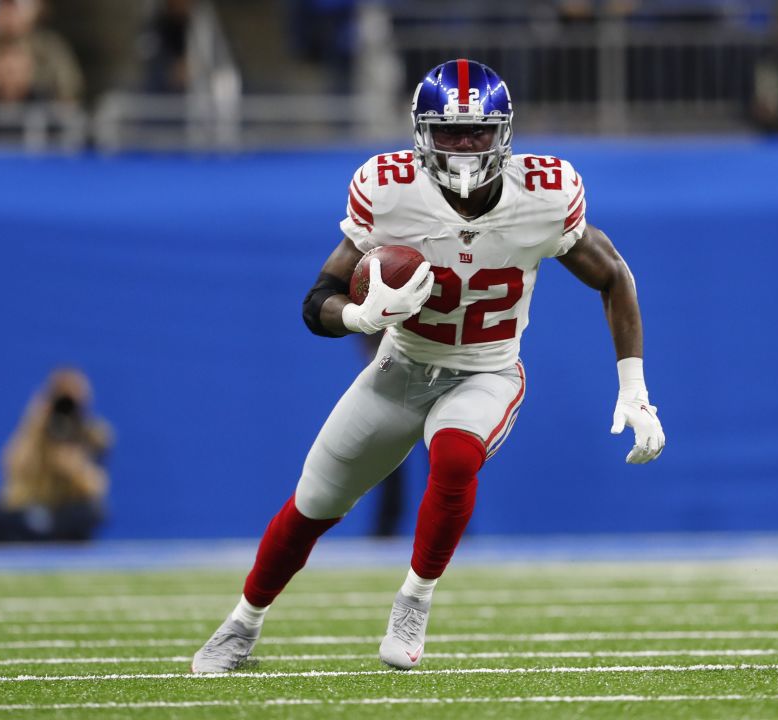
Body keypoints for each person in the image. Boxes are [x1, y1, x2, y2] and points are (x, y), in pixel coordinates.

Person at [192, 59, 665, 673]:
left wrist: (634, 386)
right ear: (421, 134)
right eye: (449, 132)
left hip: (487, 372)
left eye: (478, 132)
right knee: (312, 505)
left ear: (505, 134)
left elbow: (614, 276)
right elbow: (317, 302)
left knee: (456, 453)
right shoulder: (389, 192)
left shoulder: (544, 195)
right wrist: (360, 317)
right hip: (401, 368)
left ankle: (413, 602)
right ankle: (241, 626)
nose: (465, 147)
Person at [0, 367, 113, 542]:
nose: (66, 408)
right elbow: (12, 467)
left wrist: (75, 468)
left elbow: (98, 489)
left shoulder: (94, 435)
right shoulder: (34, 431)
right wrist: (35, 428)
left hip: (64, 513)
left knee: (94, 513)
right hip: (28, 509)